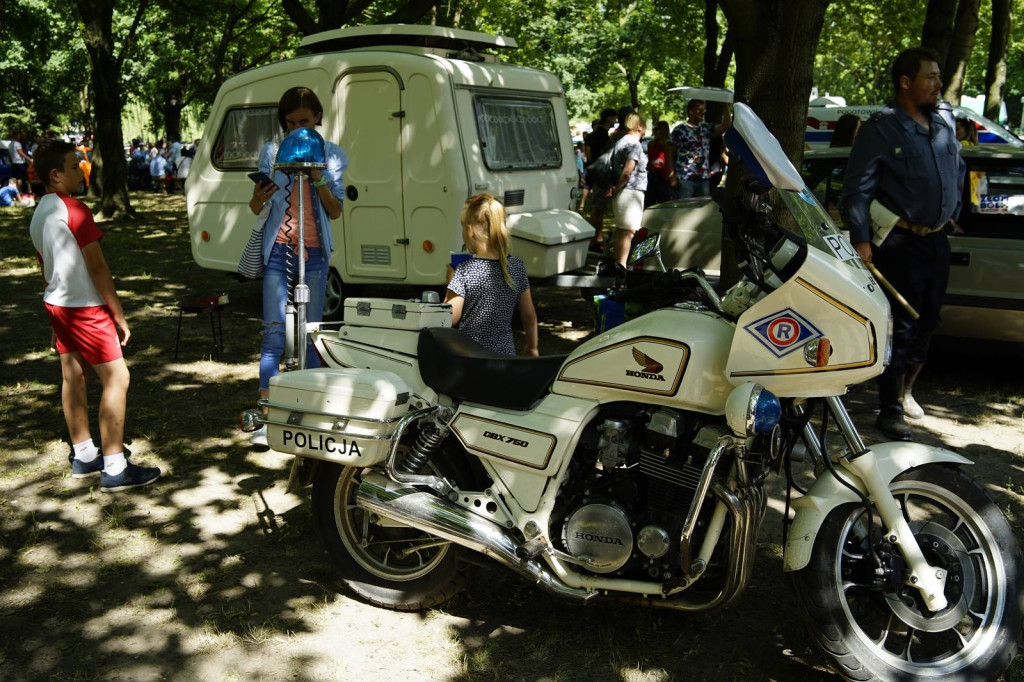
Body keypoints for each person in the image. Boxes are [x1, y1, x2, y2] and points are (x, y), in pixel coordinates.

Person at [841, 47, 966, 441]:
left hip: (936, 240)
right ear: (906, 82)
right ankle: (890, 407)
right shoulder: (881, 129)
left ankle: (907, 390)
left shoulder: (942, 122)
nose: (939, 84)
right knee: (901, 325)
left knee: (928, 322)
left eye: (939, 76)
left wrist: (953, 209)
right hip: (899, 242)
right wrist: (861, 238)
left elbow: (958, 167)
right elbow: (857, 189)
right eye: (931, 76)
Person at [28, 140, 161, 492]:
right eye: (74, 167)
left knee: (73, 376)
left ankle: (85, 454)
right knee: (118, 377)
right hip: (84, 306)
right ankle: (115, 467)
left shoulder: (39, 212)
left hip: (58, 304)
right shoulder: (75, 209)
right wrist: (118, 314)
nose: (81, 171)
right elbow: (98, 266)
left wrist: (55, 316)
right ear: (55, 175)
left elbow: (45, 269)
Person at [248, 86, 347, 446]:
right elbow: (256, 208)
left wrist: (318, 177)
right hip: (278, 251)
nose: (296, 129)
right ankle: (266, 416)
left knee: (311, 334)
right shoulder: (272, 152)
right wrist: (259, 196)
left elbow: (335, 210)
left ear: (318, 117)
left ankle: (309, 410)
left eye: (303, 121)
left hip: (315, 254)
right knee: (274, 335)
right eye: (289, 123)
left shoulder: (332, 155)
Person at [445, 193, 538, 356]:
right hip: (505, 357)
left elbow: (450, 318)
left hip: (472, 358)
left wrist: (451, 282)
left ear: (469, 231)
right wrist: (532, 347)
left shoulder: (464, 270)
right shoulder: (516, 266)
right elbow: (529, 316)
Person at [605, 112, 648, 270]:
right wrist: (618, 187)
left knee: (621, 231)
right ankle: (622, 267)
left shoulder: (621, 141)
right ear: (639, 126)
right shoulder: (634, 144)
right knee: (628, 232)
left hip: (623, 193)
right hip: (630, 192)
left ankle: (618, 265)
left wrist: (615, 188)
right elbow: (627, 172)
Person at [670, 99, 731, 199]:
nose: (703, 112)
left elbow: (726, 125)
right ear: (691, 111)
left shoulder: (706, 128)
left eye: (704, 110)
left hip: (703, 179)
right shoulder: (680, 130)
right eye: (700, 110)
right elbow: (669, 153)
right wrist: (672, 177)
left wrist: (725, 105)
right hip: (685, 179)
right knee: (684, 207)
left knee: (702, 207)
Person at [584, 108, 618, 252]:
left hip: (595, 173)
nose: (616, 120)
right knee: (598, 209)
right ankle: (594, 240)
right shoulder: (603, 136)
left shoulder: (593, 135)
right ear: (608, 118)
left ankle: (597, 238)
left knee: (598, 209)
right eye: (614, 117)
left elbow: (588, 153)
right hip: (602, 175)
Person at [645, 120, 676, 206]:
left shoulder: (670, 145)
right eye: (654, 129)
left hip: (664, 177)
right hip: (652, 175)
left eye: (657, 129)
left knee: (665, 203)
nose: (655, 131)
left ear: (663, 130)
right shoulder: (651, 144)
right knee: (649, 203)